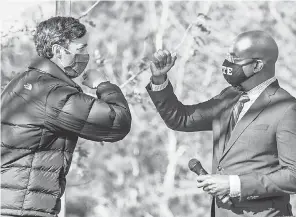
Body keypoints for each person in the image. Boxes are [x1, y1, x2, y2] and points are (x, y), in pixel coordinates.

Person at [146, 30, 296, 217]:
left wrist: (234, 185)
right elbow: (181, 119)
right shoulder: (229, 96)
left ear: (257, 65)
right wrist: (159, 80)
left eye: (235, 58)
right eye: (228, 56)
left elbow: (293, 176)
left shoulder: (286, 108)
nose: (228, 64)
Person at [1, 16, 132, 217]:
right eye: (80, 49)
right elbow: (117, 122)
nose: (86, 55)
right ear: (58, 51)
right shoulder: (52, 94)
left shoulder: (22, 83)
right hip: (24, 208)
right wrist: (103, 84)